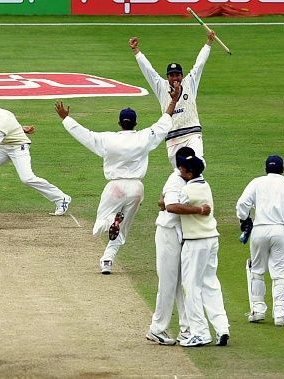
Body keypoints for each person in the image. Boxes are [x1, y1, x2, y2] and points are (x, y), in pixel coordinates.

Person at [54, 82, 182, 274]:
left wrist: (66, 119)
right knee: (122, 231)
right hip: (137, 189)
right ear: (135, 123)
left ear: (119, 122)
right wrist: (173, 100)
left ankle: (112, 220)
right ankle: (107, 260)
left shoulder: (108, 139)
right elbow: (165, 120)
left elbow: (84, 135)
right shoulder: (145, 137)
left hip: (115, 187)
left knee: (98, 227)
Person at [167, 154, 229, 347]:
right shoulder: (206, 184)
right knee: (211, 284)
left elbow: (170, 206)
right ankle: (222, 328)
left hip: (196, 242)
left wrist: (196, 210)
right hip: (211, 239)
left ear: (190, 172)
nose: (180, 171)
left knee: (191, 287)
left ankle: (200, 333)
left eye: (182, 169)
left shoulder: (188, 190)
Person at [0, 97, 71, 219]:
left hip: (18, 146)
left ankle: (62, 198)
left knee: (27, 178)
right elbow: (11, 122)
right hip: (1, 145)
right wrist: (21, 129)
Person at [129, 30, 216, 167]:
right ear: (167, 76)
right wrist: (136, 52)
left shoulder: (190, 83)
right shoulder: (161, 87)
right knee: (179, 172)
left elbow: (199, 65)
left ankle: (199, 187)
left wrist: (209, 43)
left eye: (177, 75)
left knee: (198, 164)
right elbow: (149, 71)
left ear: (182, 75)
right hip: (173, 139)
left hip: (192, 133)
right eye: (171, 75)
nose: (175, 78)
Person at [236, 155, 284, 326]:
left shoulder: (257, 182)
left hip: (259, 229)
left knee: (257, 270)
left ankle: (258, 311)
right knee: (280, 272)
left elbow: (242, 204)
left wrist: (244, 220)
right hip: (280, 230)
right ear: (282, 169)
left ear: (266, 169)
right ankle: (280, 315)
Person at [145, 147, 195, 346]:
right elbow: (168, 205)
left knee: (181, 282)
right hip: (167, 233)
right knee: (167, 282)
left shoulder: (188, 176)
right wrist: (199, 210)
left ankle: (186, 328)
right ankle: (157, 328)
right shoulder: (175, 179)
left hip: (178, 234)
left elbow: (160, 200)